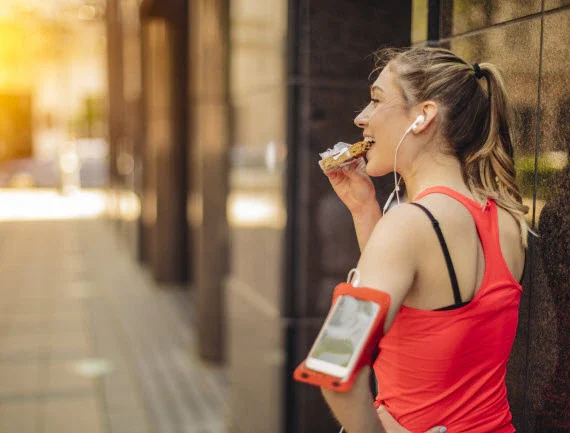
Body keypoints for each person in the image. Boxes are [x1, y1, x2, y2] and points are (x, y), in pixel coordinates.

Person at [320, 47, 528, 433]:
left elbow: (334, 362)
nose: (360, 118)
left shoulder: (407, 227)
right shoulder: (508, 220)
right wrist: (366, 213)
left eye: (377, 99)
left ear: (423, 116)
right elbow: (423, 316)